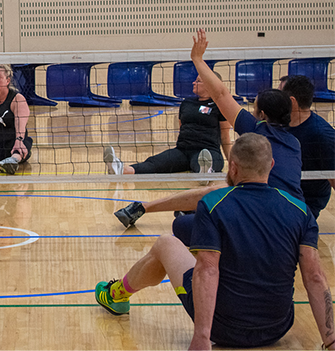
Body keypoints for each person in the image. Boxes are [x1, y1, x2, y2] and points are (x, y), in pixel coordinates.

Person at [95, 133, 335, 350]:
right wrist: (331, 340)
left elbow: (207, 270)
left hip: (223, 329)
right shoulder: (300, 210)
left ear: (232, 167)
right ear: (271, 166)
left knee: (166, 243)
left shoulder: (214, 205)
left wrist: (202, 336)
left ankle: (117, 295)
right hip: (277, 327)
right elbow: (314, 277)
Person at [114, 29, 303, 233]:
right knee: (209, 195)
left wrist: (197, 58)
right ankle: (147, 205)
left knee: (182, 225)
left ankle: (163, 202)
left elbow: (221, 94)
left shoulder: (255, 130)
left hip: (258, 213)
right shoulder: (295, 143)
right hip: (295, 216)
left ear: (262, 114)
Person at [104, 73, 232, 176]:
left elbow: (225, 137)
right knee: (155, 162)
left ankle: (205, 172)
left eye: (198, 81)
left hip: (208, 150)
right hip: (183, 151)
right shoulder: (187, 103)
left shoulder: (219, 106)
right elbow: (182, 128)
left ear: (211, 85)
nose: (193, 82)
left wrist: (233, 164)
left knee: (202, 162)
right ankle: (120, 169)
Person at [282, 75, 335, 218]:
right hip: (280, 193)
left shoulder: (322, 135)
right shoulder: (280, 123)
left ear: (292, 102)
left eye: (280, 95)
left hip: (305, 202)